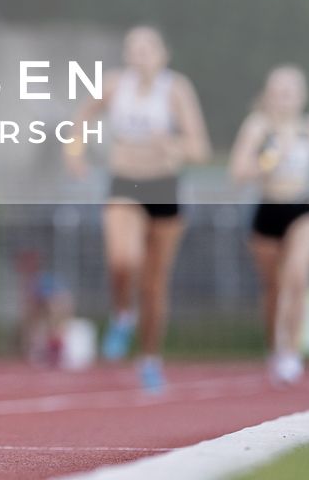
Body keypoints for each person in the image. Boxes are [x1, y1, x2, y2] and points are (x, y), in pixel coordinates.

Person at [65, 25, 211, 392]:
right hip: (124, 182)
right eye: (133, 48)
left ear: (163, 54)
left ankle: (149, 359)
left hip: (163, 186)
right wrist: (75, 151)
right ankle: (122, 314)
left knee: (154, 285)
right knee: (122, 259)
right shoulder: (115, 85)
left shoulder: (176, 89)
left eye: (147, 48)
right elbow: (81, 117)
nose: (139, 54)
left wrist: (174, 147)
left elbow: (200, 148)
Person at [227, 64, 309, 385]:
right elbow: (237, 173)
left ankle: (292, 350)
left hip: (304, 209)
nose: (284, 98)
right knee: (274, 289)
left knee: (297, 274)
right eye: (277, 92)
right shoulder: (258, 127)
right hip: (267, 211)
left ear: (302, 96)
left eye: (290, 92)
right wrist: (268, 162)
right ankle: (275, 346)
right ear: (268, 95)